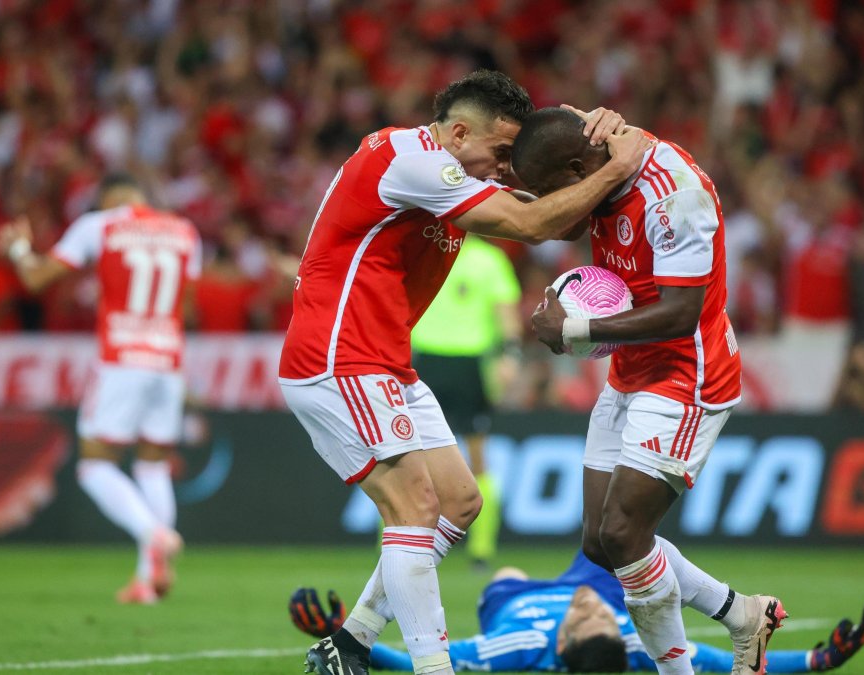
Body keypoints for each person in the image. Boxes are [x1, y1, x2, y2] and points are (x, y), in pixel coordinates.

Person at [278, 70, 651, 675]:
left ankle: (350, 643)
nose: (507, 168)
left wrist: (598, 147)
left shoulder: (451, 172)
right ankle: (433, 669)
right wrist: (616, 169)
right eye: (501, 153)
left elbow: (562, 214)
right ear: (457, 134)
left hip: (383, 361)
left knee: (458, 501)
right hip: (337, 356)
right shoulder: (412, 161)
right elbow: (534, 225)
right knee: (416, 509)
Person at [517, 108, 779, 675]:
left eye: (546, 190)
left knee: (623, 530)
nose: (550, 207)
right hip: (630, 370)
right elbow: (568, 161)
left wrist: (577, 331)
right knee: (598, 542)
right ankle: (742, 615)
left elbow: (682, 313)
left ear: (575, 167)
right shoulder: (600, 156)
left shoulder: (672, 195)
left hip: (688, 374)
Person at [0, 173, 200, 604]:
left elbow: (36, 280)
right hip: (168, 360)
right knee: (152, 465)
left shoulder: (100, 226)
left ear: (109, 200)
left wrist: (16, 248)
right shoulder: (185, 232)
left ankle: (154, 534)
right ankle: (150, 582)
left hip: (122, 358)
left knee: (95, 466)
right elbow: (188, 306)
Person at [289, 551, 864, 673]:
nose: (589, 610)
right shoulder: (632, 640)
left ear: (563, 646)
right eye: (601, 617)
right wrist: (818, 659)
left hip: (518, 599)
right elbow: (727, 660)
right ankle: (732, 604)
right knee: (624, 547)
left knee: (506, 575)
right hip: (581, 571)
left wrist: (350, 637)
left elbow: (437, 657)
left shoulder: (516, 648)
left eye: (582, 621)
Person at [410, 235, 523, 572]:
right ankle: (397, 540)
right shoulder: (424, 251)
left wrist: (510, 355)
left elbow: (506, 313)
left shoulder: (489, 259)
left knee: (477, 459)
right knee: (408, 458)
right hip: (424, 359)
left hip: (470, 364)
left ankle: (480, 548)